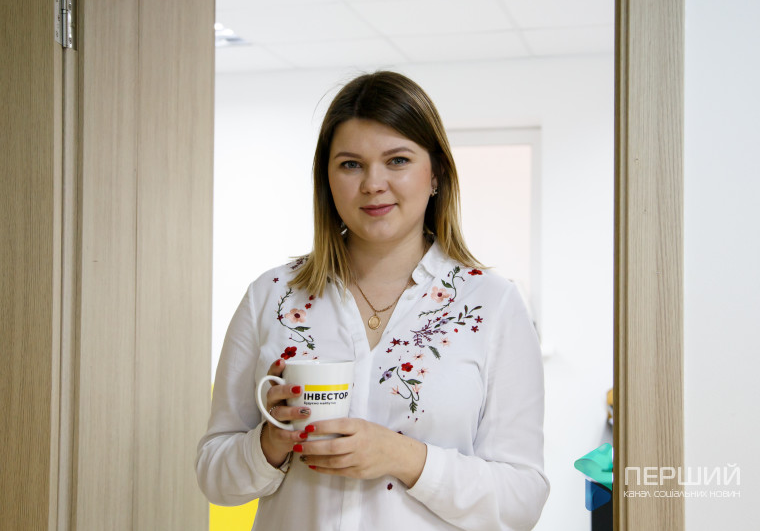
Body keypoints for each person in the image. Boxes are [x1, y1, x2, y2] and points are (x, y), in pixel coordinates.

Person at [196, 71, 549, 531]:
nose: (373, 184)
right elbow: (214, 477)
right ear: (326, 179)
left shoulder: (494, 304)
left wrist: (404, 456)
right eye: (351, 164)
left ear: (436, 173)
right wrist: (271, 442)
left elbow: (522, 499)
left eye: (397, 160)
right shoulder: (272, 295)